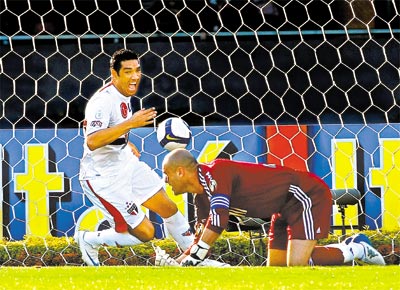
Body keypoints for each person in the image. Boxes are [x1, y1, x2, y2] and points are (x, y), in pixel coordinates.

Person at [159, 148, 386, 267]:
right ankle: (351, 249)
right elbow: (202, 241)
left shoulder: (215, 172)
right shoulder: (201, 198)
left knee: (296, 265)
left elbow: (218, 222)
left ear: (181, 171)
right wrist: (176, 265)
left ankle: (356, 248)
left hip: (305, 196)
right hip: (282, 209)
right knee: (278, 269)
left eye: (167, 174)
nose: (166, 181)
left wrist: (193, 259)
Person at [75, 48, 194, 266]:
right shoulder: (102, 101)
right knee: (146, 233)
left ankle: (195, 259)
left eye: (137, 70)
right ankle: (88, 239)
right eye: (128, 71)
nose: (135, 76)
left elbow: (101, 127)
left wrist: (124, 140)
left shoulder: (124, 93)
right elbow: (92, 140)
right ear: (114, 73)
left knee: (169, 208)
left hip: (125, 163)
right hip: (103, 177)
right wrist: (131, 124)